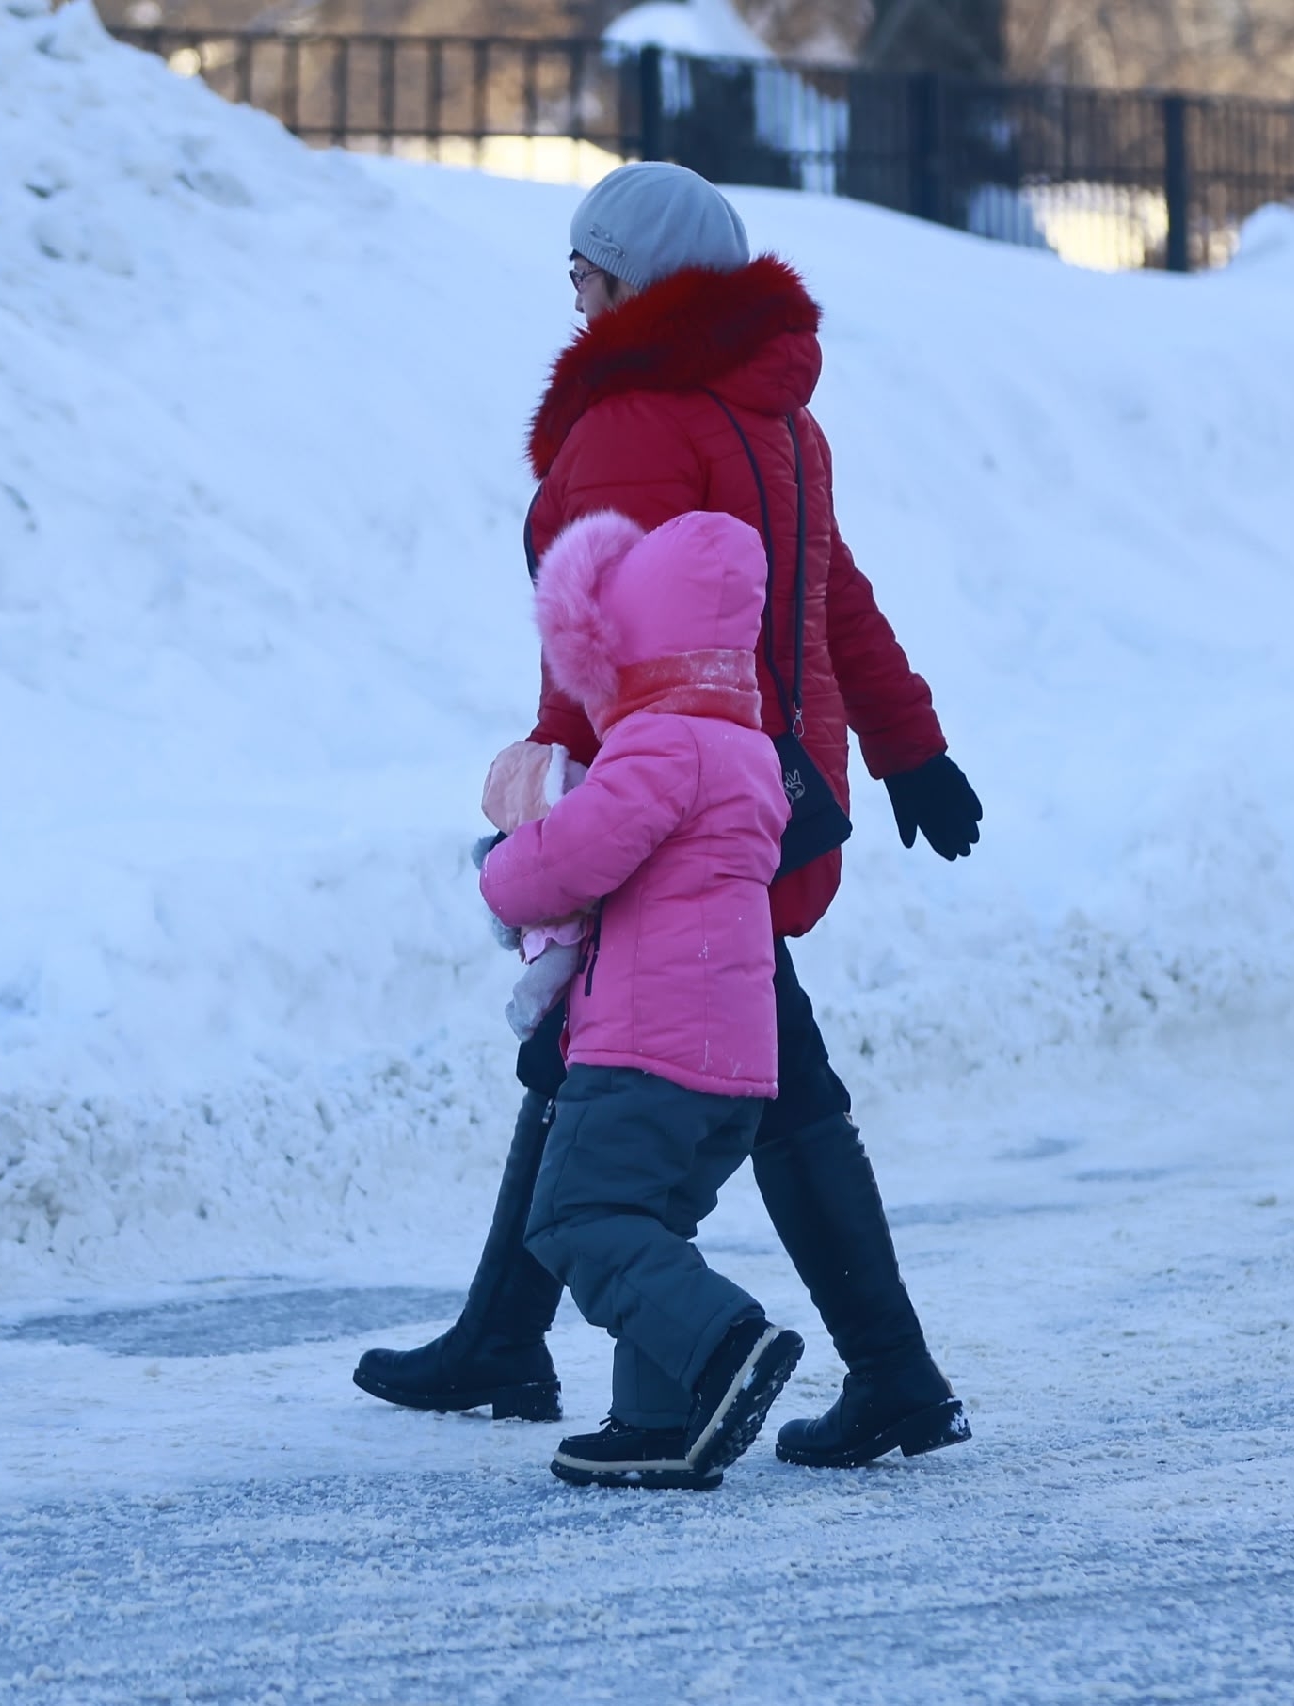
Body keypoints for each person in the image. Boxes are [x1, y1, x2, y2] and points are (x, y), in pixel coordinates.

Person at [357, 161, 986, 1469]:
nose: (573, 291)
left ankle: (875, 1369)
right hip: (769, 787)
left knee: (728, 1069)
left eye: (586, 268)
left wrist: (570, 802)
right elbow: (839, 598)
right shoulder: (775, 417)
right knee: (658, 1048)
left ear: (636, 281)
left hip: (674, 797)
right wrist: (908, 750)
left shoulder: (636, 420)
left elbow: (613, 630)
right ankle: (505, 1331)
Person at [482, 508, 798, 1489]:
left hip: (645, 1053)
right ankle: (654, 1419)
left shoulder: (662, 747)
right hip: (731, 1065)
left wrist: (503, 864)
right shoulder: (743, 749)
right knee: (645, 1223)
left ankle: (721, 1340)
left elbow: (571, 859)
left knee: (576, 1216)